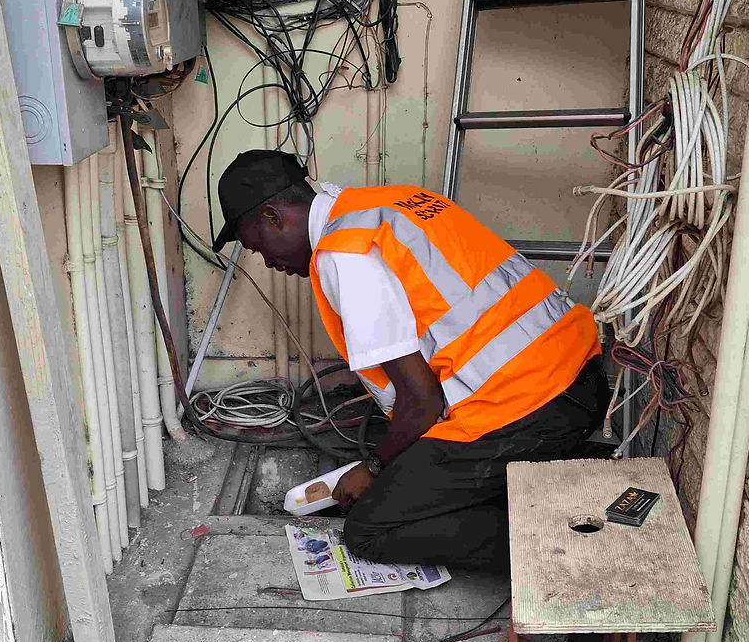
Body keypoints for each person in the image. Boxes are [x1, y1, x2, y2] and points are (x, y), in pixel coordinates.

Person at [212, 150, 609, 570]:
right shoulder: (393, 203)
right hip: (585, 376)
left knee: (370, 529)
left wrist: (373, 467)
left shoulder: (344, 253)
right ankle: (558, 477)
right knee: (418, 477)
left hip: (529, 412)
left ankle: (572, 546)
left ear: (274, 217)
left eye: (258, 248)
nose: (268, 262)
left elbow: (422, 401)